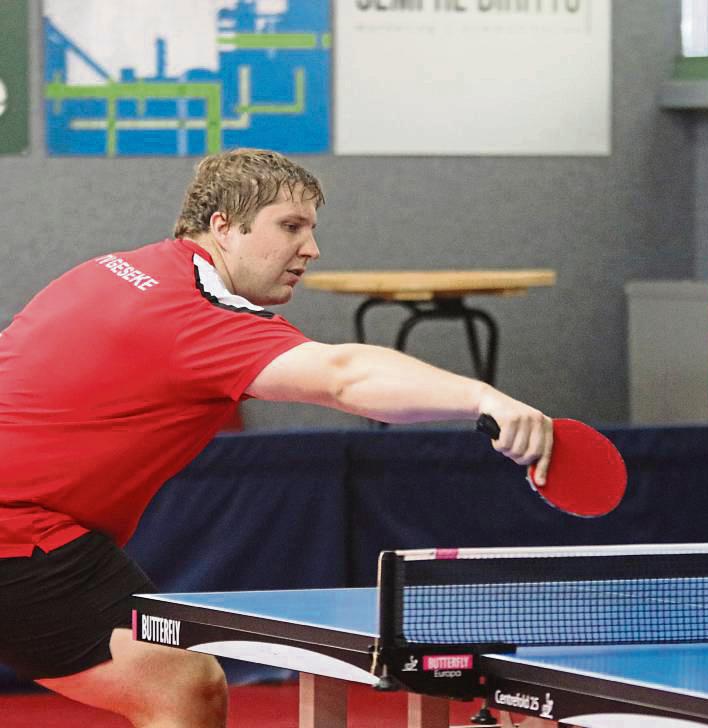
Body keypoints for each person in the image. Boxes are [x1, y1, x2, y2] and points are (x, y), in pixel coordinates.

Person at [0, 148, 554, 727]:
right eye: (290, 227)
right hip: (21, 536)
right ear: (224, 226)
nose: (310, 249)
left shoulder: (113, 267)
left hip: (36, 530)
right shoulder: (200, 315)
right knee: (182, 685)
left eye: (311, 229)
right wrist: (482, 397)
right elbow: (344, 376)